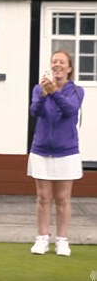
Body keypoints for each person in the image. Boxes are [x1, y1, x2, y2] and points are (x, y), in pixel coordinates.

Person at [27, 49, 84, 256]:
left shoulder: (77, 91)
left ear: (69, 68)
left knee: (63, 198)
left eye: (61, 62)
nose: (57, 65)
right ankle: (42, 239)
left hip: (66, 152)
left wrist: (54, 93)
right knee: (43, 197)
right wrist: (43, 95)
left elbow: (70, 111)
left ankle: (62, 241)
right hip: (41, 150)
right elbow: (35, 111)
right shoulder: (38, 88)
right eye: (54, 62)